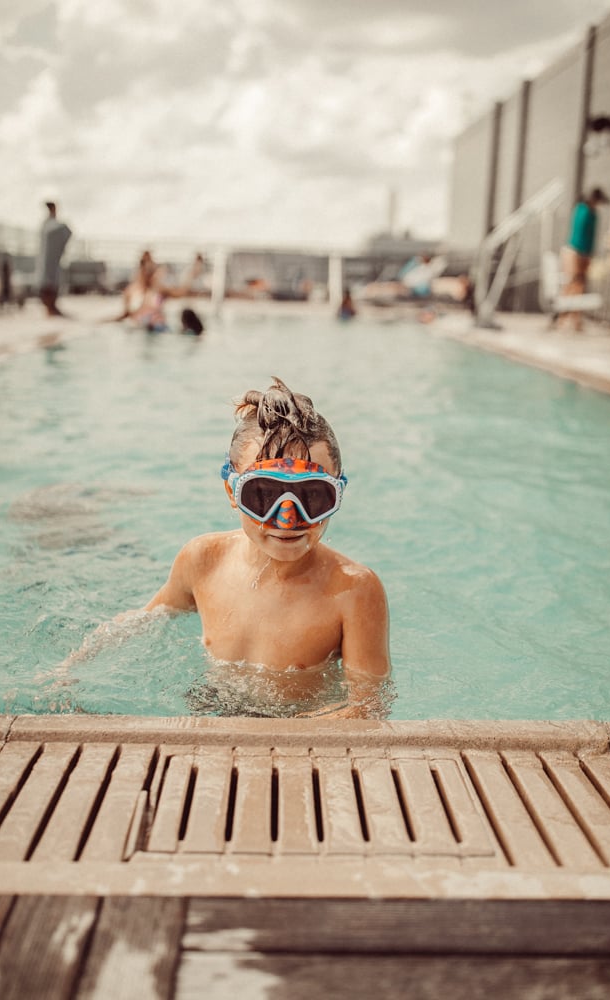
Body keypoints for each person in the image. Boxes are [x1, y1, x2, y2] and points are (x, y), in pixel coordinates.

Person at [65, 378, 391, 717]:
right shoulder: (203, 559)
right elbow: (145, 619)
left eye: (312, 496)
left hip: (299, 724)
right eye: (263, 495)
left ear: (337, 495)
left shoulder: (353, 589)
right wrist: (72, 665)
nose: (287, 518)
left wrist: (274, 735)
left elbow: (368, 707)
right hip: (208, 705)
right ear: (231, 491)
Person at [559, 187, 610, 330]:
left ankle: (575, 320)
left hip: (585, 254)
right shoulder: (583, 210)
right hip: (575, 252)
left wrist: (590, 255)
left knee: (580, 286)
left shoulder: (594, 214)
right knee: (573, 284)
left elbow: (591, 236)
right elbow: (579, 235)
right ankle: (563, 319)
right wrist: (582, 256)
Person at [37, 201, 72, 316]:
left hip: (53, 260)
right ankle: (50, 308)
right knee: (48, 282)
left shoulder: (49, 225)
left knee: (52, 282)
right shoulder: (48, 225)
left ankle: (52, 307)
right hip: (47, 261)